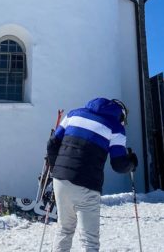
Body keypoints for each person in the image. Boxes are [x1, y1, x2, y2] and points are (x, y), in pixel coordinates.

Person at [46, 98, 138, 252]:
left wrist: (58, 169)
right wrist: (132, 163)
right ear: (121, 116)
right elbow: (119, 165)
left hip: (60, 181)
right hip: (87, 184)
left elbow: (52, 144)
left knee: (64, 229)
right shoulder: (115, 128)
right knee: (90, 241)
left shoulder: (73, 114)